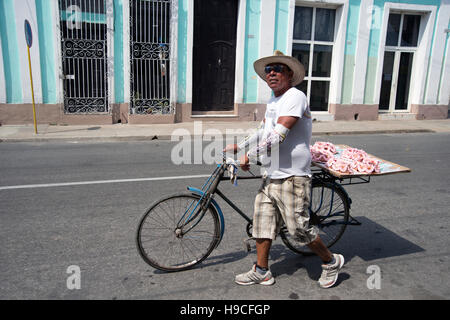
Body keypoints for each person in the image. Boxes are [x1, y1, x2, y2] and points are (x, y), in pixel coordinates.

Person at [224, 51, 344, 288]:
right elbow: (263, 131)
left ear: (290, 74)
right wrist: (240, 145)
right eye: (269, 70)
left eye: (278, 69)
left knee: (299, 229)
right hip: (272, 174)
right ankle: (261, 270)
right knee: (262, 223)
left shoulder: (295, 97)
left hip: (292, 176)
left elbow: (279, 135)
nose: (272, 73)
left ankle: (330, 262)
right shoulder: (274, 100)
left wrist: (251, 154)